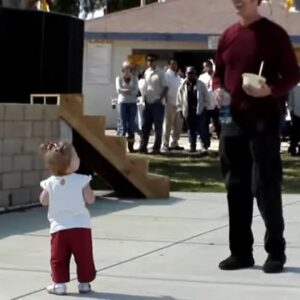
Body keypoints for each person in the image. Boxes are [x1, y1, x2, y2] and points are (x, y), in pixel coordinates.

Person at [213, 0, 300, 273]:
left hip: (264, 119)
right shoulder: (228, 35)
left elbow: (293, 75)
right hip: (231, 119)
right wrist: (217, 89)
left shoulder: (275, 34)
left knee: (265, 185)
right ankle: (240, 252)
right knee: (235, 186)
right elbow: (218, 74)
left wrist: (270, 90)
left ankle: (275, 252)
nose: (237, 0)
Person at [39, 142, 96, 295]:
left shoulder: (50, 182)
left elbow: (43, 201)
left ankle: (59, 285)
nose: (79, 158)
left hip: (59, 229)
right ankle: (84, 283)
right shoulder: (82, 180)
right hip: (81, 227)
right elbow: (90, 199)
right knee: (84, 256)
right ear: (70, 163)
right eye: (76, 156)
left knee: (59, 258)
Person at [139, 54, 168, 154]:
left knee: (157, 127)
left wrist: (159, 99)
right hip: (147, 103)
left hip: (157, 104)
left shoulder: (161, 73)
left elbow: (165, 88)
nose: (150, 62)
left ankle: (156, 147)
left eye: (152, 60)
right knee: (145, 126)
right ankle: (143, 146)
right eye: (148, 60)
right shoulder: (146, 72)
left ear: (156, 61)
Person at [177, 66, 209, 152]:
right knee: (191, 130)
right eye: (188, 73)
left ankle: (203, 146)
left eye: (192, 73)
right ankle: (192, 146)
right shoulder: (182, 85)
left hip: (199, 110)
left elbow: (206, 97)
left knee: (201, 129)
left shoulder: (201, 84)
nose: (190, 75)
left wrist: (204, 107)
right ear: (186, 74)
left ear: (195, 74)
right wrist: (180, 110)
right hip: (188, 110)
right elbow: (179, 99)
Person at [116, 61, 139, 152]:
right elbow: (119, 90)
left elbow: (136, 91)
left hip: (132, 103)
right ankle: (120, 147)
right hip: (122, 103)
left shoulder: (135, 79)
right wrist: (130, 90)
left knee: (131, 125)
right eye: (125, 68)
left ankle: (131, 146)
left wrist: (126, 91)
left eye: (129, 68)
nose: (127, 70)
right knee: (122, 124)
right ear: (123, 70)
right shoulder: (118, 78)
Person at [163, 59, 184, 151]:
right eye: (172, 64)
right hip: (169, 103)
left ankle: (174, 143)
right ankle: (165, 144)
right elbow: (164, 88)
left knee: (178, 126)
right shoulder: (166, 75)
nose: (174, 65)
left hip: (178, 104)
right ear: (168, 65)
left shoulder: (178, 76)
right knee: (167, 125)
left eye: (176, 64)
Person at [199, 60, 221, 140]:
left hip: (216, 104)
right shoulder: (202, 77)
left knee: (218, 125)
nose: (206, 68)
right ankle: (205, 145)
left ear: (211, 66)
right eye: (204, 66)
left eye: (207, 66)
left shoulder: (217, 75)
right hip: (206, 105)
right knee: (205, 125)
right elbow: (200, 90)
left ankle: (220, 144)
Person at [288, 77, 300, 155]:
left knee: (295, 131)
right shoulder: (294, 86)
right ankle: (293, 147)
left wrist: (291, 109)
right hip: (296, 111)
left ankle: (293, 147)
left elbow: (290, 100)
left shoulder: (294, 86)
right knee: (295, 132)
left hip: (295, 112)